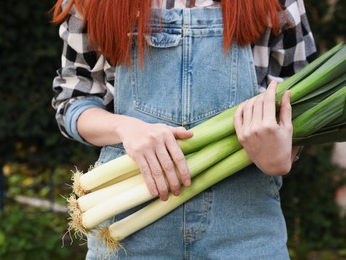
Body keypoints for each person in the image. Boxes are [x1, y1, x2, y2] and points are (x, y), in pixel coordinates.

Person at [51, 0, 316, 258]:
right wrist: (125, 128)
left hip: (246, 235)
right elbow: (72, 99)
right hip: (125, 236)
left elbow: (301, 105)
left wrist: (282, 157)